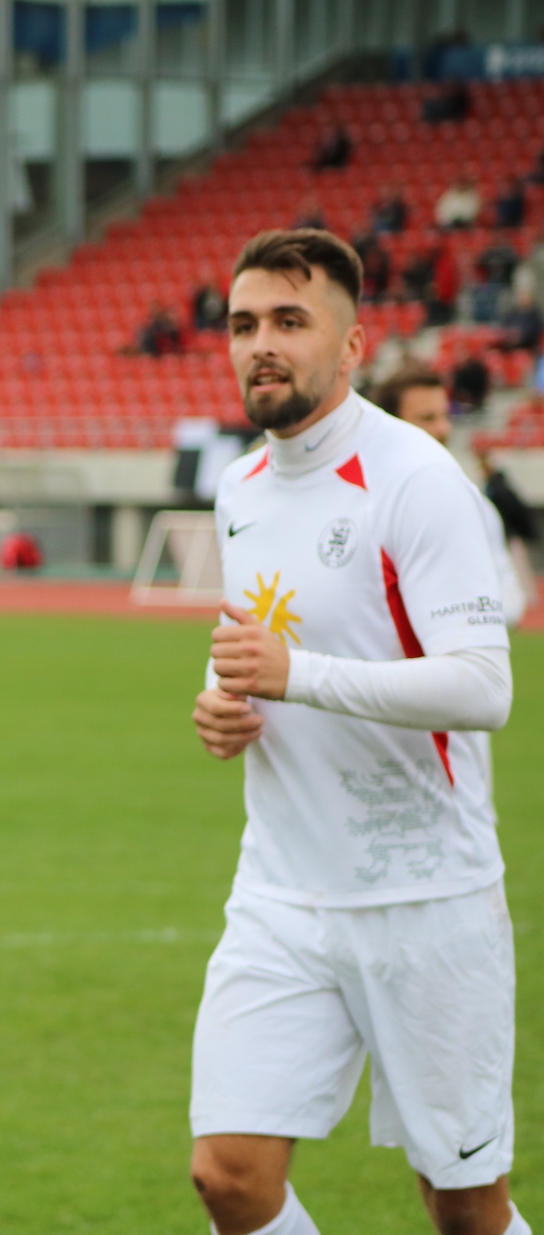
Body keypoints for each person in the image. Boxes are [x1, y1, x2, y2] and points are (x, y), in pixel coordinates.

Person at [191, 229, 522, 1235]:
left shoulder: (417, 479)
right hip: (281, 892)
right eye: (244, 324)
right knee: (228, 1175)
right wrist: (222, 700)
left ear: (351, 344)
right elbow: (260, 640)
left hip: (425, 896)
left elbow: (484, 686)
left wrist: (298, 677)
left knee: (463, 1206)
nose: (261, 344)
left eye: (289, 321)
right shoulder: (239, 489)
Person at [373, 364, 532, 622]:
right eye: (427, 418)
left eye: (445, 416)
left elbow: (510, 595)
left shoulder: (474, 503)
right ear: (390, 424)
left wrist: (459, 618)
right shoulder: (359, 501)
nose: (443, 429)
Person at [481, 451, 540, 619]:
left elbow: (514, 512)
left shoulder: (500, 488)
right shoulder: (494, 486)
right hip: (504, 534)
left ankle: (527, 601)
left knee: (517, 565)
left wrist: (516, 530)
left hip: (509, 534)